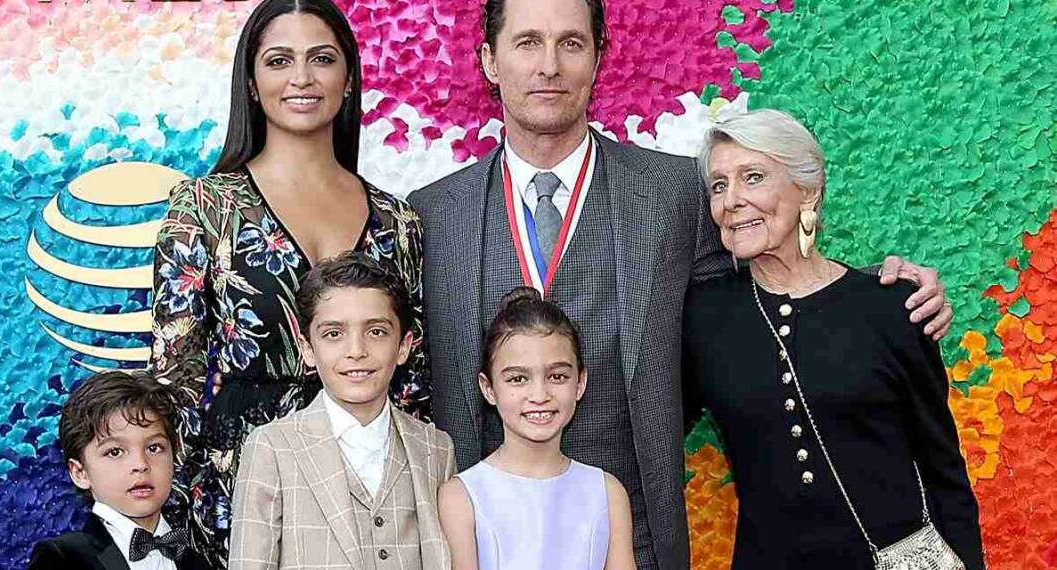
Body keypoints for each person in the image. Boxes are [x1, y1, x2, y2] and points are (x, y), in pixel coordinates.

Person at [406, 0, 954, 567]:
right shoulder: (433, 215)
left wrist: (881, 293)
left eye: (571, 43)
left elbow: (755, 300)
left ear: (599, 59)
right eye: (527, 43)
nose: (549, 65)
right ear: (490, 61)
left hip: (635, 539)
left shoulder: (677, 196)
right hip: (477, 543)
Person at [149, 0, 428, 564]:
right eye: (279, 60)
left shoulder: (399, 222)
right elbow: (174, 378)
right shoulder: (203, 208)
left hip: (371, 493)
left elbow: (413, 385)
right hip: (240, 490)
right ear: (251, 83)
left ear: (348, 79)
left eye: (321, 59)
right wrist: (180, 521)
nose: (302, 78)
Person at [682, 109, 983, 569]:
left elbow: (943, 469)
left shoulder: (894, 306)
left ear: (808, 190)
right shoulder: (702, 316)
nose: (732, 200)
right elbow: (652, 422)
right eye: (719, 185)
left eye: (753, 176)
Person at [228, 253, 455, 570]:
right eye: (334, 334)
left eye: (376, 331)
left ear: (404, 345)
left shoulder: (436, 449)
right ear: (307, 348)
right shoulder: (271, 448)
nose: (356, 351)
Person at [439, 287, 635, 570]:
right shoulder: (461, 497)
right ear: (488, 388)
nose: (540, 394)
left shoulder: (608, 493)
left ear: (580, 383)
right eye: (518, 379)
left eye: (557, 376)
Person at [28, 370, 211, 570]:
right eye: (115, 452)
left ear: (173, 457)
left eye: (154, 448)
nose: (140, 464)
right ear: (80, 473)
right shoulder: (64, 558)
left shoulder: (196, 563)